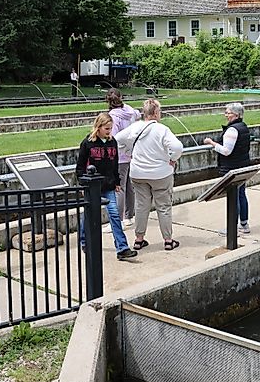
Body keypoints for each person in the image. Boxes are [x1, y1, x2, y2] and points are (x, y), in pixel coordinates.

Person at [116, 98, 184, 251]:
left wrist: (128, 153)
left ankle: (139, 239)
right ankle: (167, 239)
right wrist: (172, 159)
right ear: (155, 113)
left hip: (138, 173)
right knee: (164, 207)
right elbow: (177, 147)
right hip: (160, 173)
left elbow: (117, 140)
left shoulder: (135, 127)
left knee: (141, 206)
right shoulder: (162, 129)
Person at [75, 113, 137, 260]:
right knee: (89, 215)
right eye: (106, 128)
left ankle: (122, 248)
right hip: (92, 186)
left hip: (108, 185)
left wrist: (116, 182)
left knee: (115, 215)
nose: (109, 131)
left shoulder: (112, 142)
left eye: (110, 128)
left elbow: (114, 165)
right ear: (99, 127)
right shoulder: (87, 143)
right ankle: (84, 240)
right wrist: (83, 185)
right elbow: (80, 167)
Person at [203, 102, 252, 234]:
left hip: (232, 168)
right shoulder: (243, 127)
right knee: (241, 194)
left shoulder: (232, 130)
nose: (226, 115)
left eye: (228, 112)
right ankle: (244, 224)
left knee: (234, 196)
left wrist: (212, 143)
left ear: (236, 115)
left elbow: (226, 151)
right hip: (243, 165)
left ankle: (232, 228)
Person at [107, 88, 140, 228]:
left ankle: (118, 219)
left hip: (119, 156)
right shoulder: (129, 111)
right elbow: (138, 115)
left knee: (119, 188)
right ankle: (129, 215)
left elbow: (112, 138)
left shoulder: (113, 116)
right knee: (129, 186)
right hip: (131, 153)